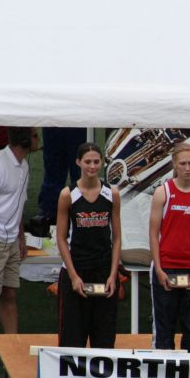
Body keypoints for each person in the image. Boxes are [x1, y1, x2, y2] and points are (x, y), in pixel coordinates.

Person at [149, 143, 190, 352]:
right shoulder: (163, 193)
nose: (187, 168)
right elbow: (153, 233)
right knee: (163, 331)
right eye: (183, 164)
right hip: (166, 269)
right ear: (174, 165)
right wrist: (159, 270)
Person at [56, 143, 121, 348]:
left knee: (104, 337)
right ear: (78, 163)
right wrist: (74, 277)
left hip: (103, 271)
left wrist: (113, 275)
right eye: (87, 162)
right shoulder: (68, 195)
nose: (92, 166)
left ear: (102, 163)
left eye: (96, 161)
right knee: (72, 338)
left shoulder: (112, 194)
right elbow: (60, 238)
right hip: (77, 271)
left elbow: (117, 237)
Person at [0, 127, 39, 333]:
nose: (38, 139)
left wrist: (21, 238)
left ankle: (12, 345)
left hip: (11, 240)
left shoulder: (24, 166)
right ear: (24, 140)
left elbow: (18, 204)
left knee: (9, 294)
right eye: (35, 136)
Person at [37, 127, 88, 223]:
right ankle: (49, 211)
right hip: (53, 120)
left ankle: (81, 209)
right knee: (53, 165)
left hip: (78, 120)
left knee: (80, 166)